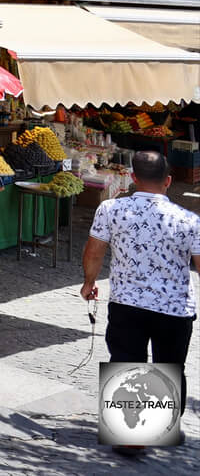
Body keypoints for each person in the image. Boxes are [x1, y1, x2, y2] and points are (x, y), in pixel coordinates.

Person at [81, 150, 200, 452]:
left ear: (133, 178)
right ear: (169, 181)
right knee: (169, 365)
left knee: (125, 361)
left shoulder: (111, 209)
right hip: (174, 308)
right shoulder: (189, 220)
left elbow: (95, 251)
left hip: (127, 303)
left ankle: (129, 436)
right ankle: (161, 427)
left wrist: (90, 282)